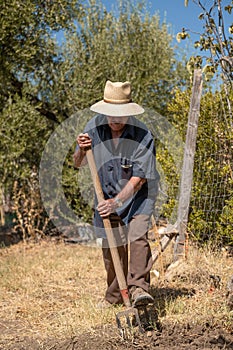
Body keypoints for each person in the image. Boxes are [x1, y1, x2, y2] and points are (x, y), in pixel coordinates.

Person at [73, 80, 159, 308]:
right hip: (105, 194)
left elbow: (139, 178)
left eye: (120, 113)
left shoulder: (142, 134)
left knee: (137, 236)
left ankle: (139, 289)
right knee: (111, 245)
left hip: (139, 196)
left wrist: (118, 202)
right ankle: (114, 296)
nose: (115, 119)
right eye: (111, 113)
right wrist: (81, 150)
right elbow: (77, 163)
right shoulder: (93, 127)